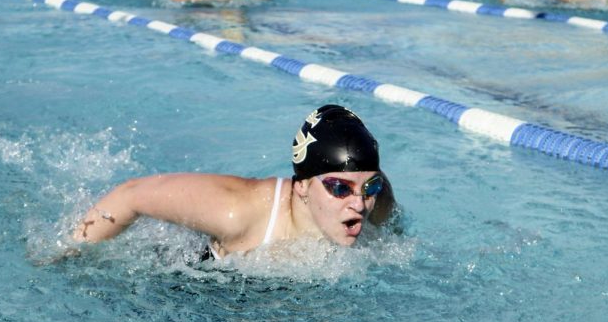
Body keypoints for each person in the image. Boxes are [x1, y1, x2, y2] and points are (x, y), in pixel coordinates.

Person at [72, 105, 396, 260]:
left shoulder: (374, 202)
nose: (357, 204)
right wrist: (72, 252)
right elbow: (131, 194)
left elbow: (389, 216)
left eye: (369, 187)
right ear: (301, 186)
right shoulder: (238, 211)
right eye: (339, 188)